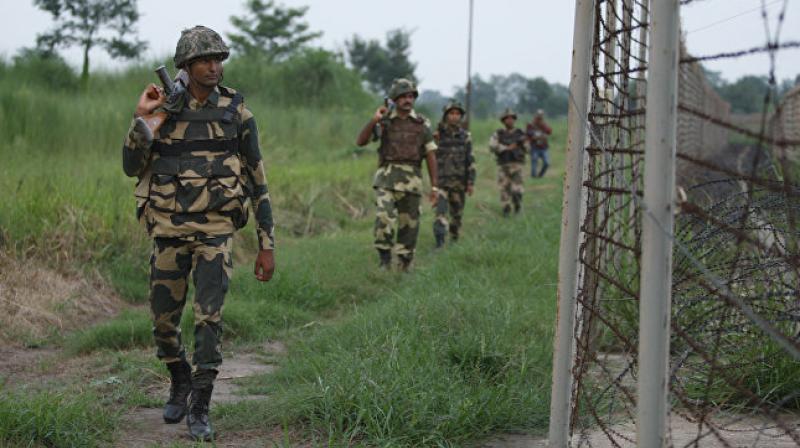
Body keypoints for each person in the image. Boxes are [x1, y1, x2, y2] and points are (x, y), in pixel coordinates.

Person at [121, 26, 275, 442]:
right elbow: (130, 166)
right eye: (206, 59)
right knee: (162, 324)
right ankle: (179, 380)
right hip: (168, 231)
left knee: (209, 320)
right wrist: (144, 117)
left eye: (219, 59)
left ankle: (201, 404)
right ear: (185, 66)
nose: (215, 66)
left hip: (214, 233)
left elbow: (258, 181)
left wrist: (266, 244)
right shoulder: (163, 108)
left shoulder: (237, 113)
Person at [356, 78, 438, 271]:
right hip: (387, 178)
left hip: (412, 181)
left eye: (410, 96)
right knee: (383, 217)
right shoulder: (385, 122)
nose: (407, 100)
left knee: (409, 225)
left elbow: (431, 155)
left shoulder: (422, 123)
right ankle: (384, 260)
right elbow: (361, 141)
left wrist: (435, 186)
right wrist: (374, 120)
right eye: (403, 96)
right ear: (395, 99)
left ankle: (404, 263)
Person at [432, 100, 476, 248]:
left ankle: (454, 240)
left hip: (459, 182)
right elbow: (429, 156)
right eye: (451, 113)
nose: (454, 116)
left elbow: (470, 160)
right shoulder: (437, 135)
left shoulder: (465, 136)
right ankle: (439, 244)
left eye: (457, 114)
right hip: (442, 183)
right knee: (440, 214)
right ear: (445, 115)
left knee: (456, 216)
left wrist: (470, 182)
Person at [489, 108, 527, 216]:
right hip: (503, 165)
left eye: (511, 118)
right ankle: (506, 210)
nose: (509, 120)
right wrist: (505, 148)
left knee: (517, 191)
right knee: (504, 189)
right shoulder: (498, 133)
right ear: (503, 121)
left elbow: (528, 148)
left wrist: (522, 144)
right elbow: (492, 146)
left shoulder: (520, 134)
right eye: (507, 118)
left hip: (517, 165)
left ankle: (517, 206)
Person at [527, 109, 553, 177]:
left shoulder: (544, 124)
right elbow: (528, 133)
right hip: (534, 147)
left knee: (547, 163)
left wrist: (544, 125)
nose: (539, 118)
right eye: (538, 116)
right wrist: (535, 137)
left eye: (541, 117)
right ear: (535, 116)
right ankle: (534, 177)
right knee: (534, 162)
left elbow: (549, 131)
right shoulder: (531, 124)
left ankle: (540, 175)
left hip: (544, 147)